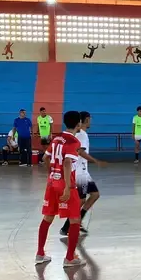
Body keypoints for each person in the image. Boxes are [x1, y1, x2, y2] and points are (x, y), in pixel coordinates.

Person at [37, 110, 85, 267]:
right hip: (66, 184)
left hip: (52, 183)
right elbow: (67, 163)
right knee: (75, 219)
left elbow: (45, 158)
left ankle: (40, 253)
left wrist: (51, 175)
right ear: (78, 123)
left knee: (47, 217)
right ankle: (70, 258)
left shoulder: (56, 138)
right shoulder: (73, 142)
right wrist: (67, 187)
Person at [59, 111, 107, 235]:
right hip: (80, 172)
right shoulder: (83, 135)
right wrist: (96, 161)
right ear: (86, 120)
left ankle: (76, 221)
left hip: (83, 171)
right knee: (80, 200)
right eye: (90, 119)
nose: (90, 121)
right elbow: (80, 152)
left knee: (94, 195)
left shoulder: (79, 134)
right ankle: (67, 227)